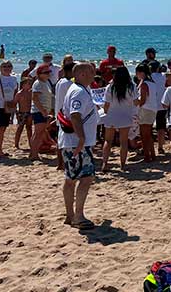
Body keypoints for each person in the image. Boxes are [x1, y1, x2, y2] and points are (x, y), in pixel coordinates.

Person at [59, 62, 98, 229]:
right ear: (82, 74)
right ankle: (78, 216)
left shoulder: (77, 89)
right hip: (78, 143)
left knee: (71, 179)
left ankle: (70, 215)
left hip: (71, 142)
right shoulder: (79, 91)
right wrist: (82, 138)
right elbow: (75, 115)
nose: (94, 74)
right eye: (90, 71)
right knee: (85, 178)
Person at [100, 66, 137, 172]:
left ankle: (104, 163)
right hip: (125, 116)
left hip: (112, 116)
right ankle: (122, 165)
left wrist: (106, 113)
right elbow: (135, 102)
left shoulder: (110, 87)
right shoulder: (131, 86)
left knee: (108, 140)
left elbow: (106, 104)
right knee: (124, 142)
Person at [29, 63, 55, 160]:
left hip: (44, 110)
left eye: (49, 72)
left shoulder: (46, 82)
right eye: (46, 72)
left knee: (38, 133)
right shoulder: (38, 83)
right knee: (38, 133)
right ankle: (34, 154)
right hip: (39, 111)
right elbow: (35, 98)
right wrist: (43, 111)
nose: (48, 74)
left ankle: (33, 153)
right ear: (39, 74)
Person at [13, 76, 33, 151]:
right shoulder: (19, 93)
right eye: (28, 84)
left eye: (30, 84)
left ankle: (31, 144)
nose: (29, 85)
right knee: (20, 128)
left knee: (29, 128)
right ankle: (16, 144)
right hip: (21, 113)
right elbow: (15, 104)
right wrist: (16, 113)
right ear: (23, 84)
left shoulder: (31, 92)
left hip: (29, 112)